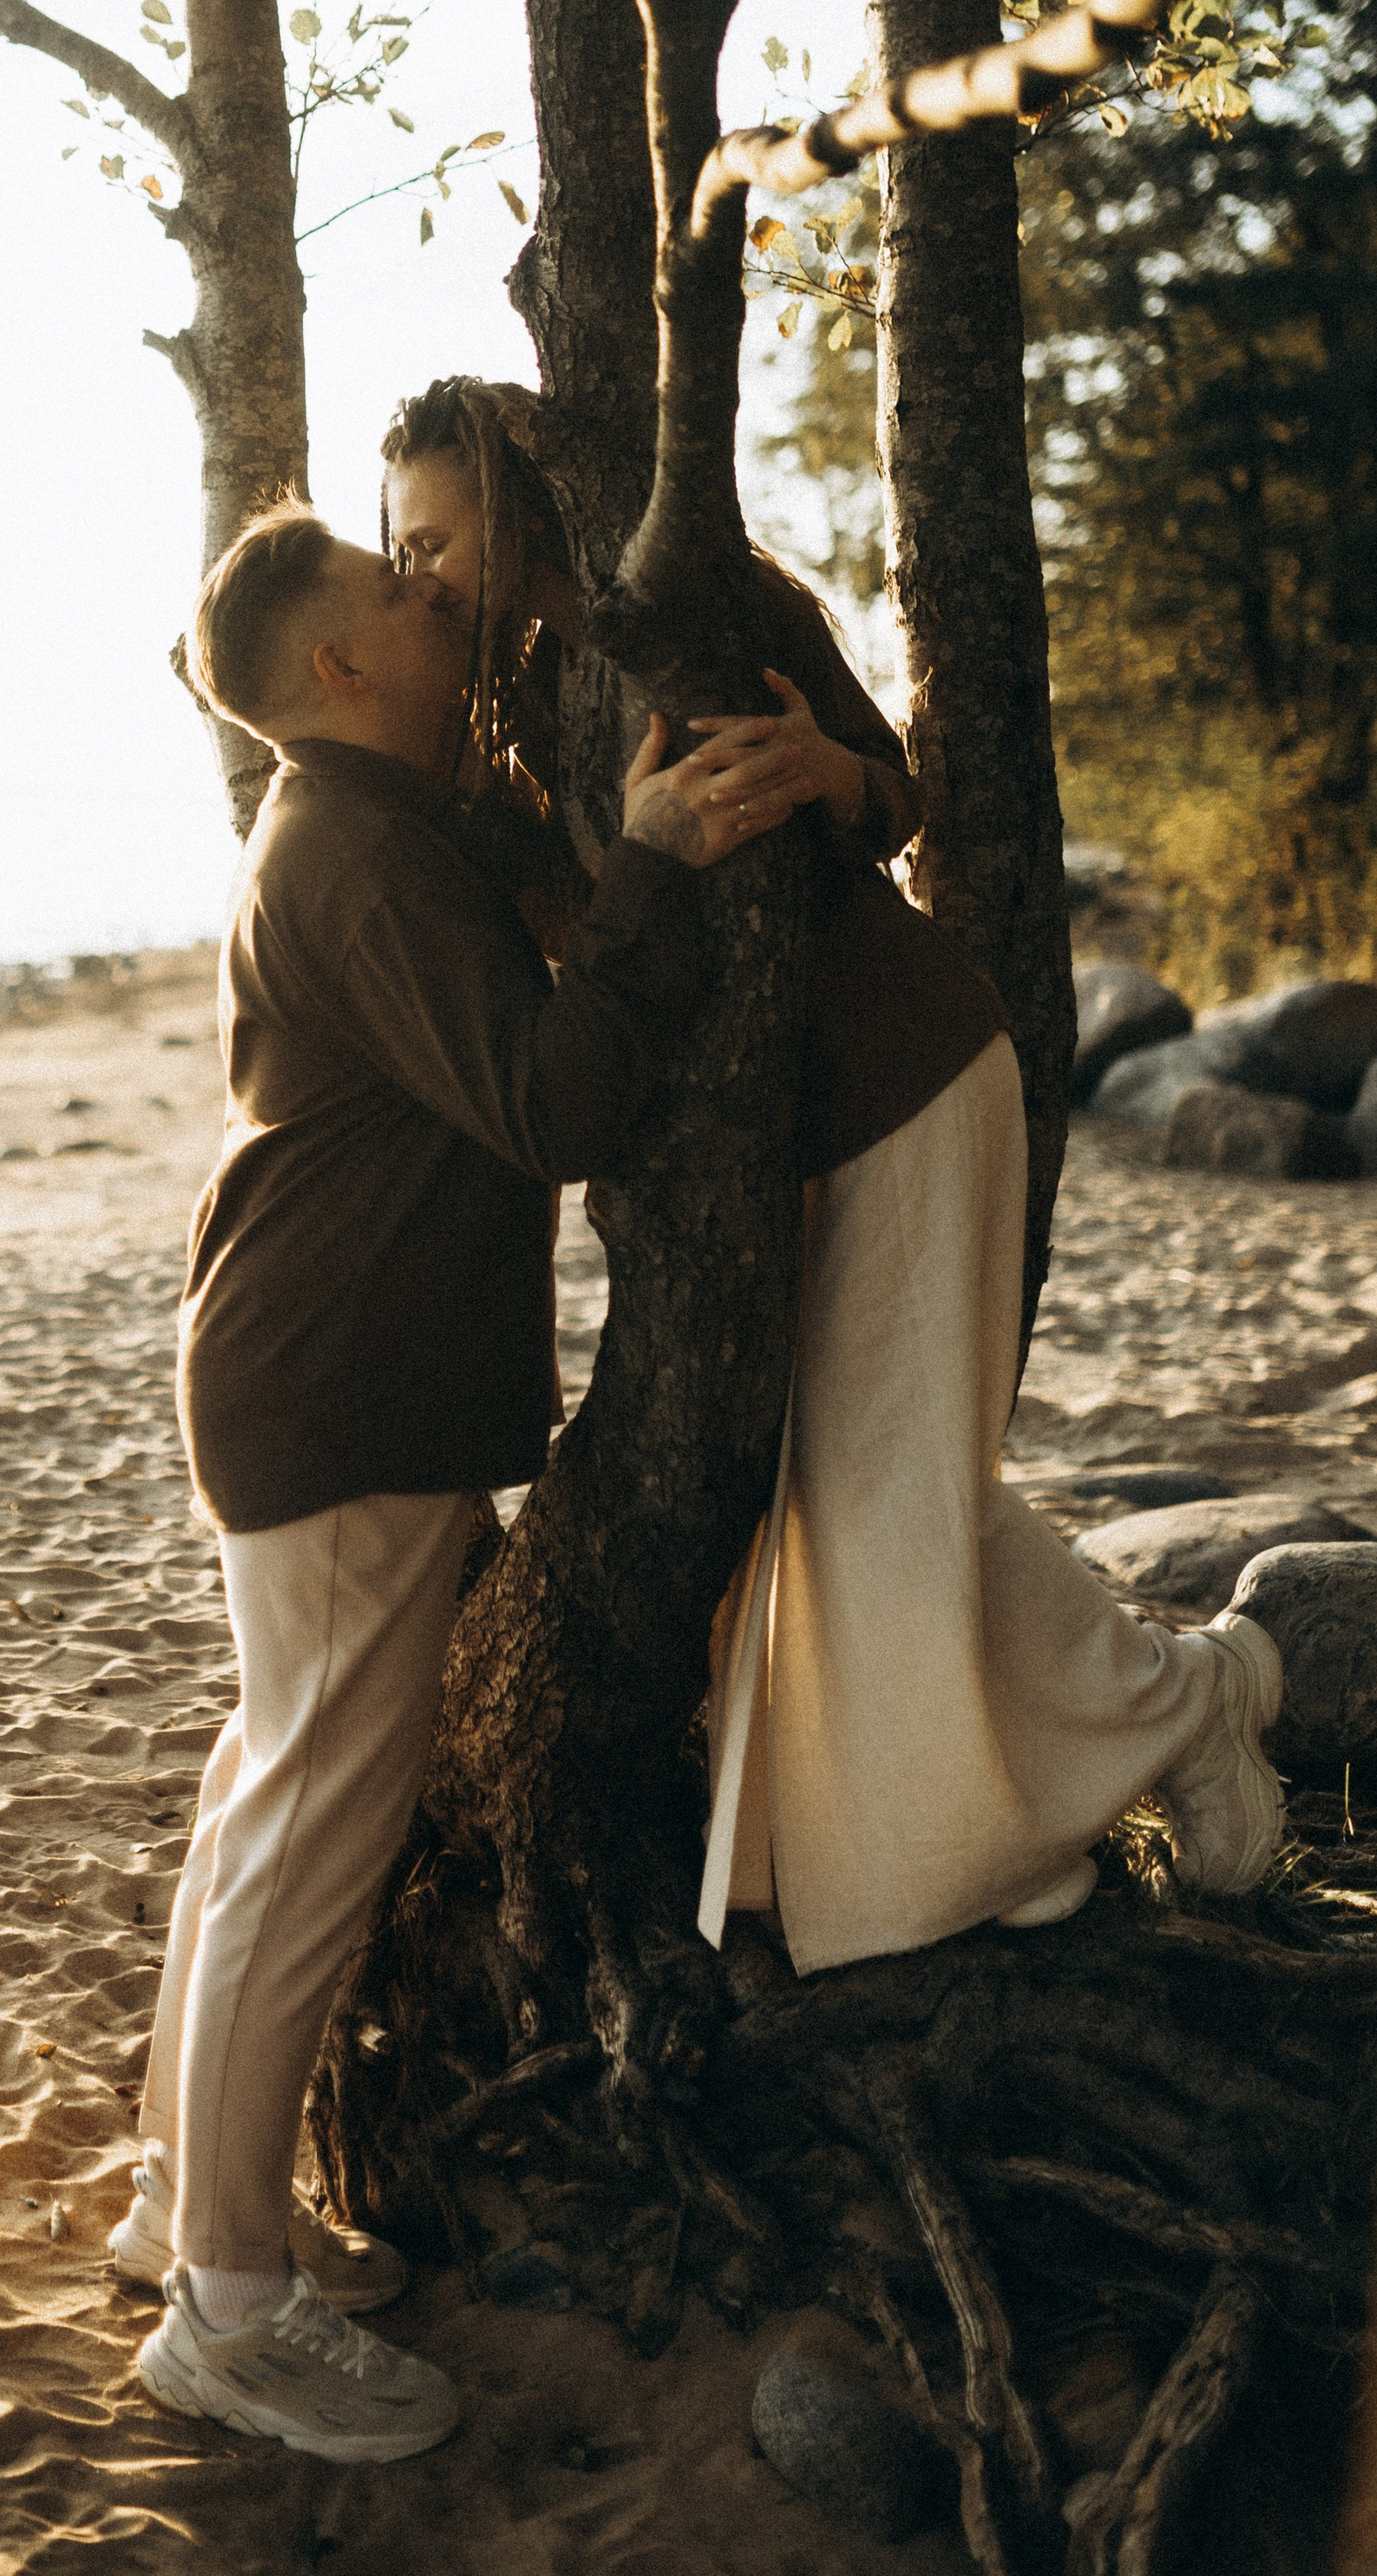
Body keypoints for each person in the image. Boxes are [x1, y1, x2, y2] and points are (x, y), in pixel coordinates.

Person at [380, 375, 1286, 1978]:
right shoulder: (514, 696)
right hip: (774, 1141)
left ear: (516, 492)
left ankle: (1200, 1704)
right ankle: (1122, 1741)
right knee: (856, 1494)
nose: (424, 572)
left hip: (915, 1075)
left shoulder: (698, 594)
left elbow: (892, 788)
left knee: (887, 1497)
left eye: (438, 535)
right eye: (402, 548)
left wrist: (831, 780)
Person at [118, 497, 768, 2462]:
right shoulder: (341, 855)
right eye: (401, 593)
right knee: (314, 1824)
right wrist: (651, 874)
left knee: (267, 1800)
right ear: (330, 666)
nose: (439, 599)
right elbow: (554, 1098)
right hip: (341, 1394)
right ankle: (223, 2308)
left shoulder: (376, 821)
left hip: (324, 1382)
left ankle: (185, 2207)